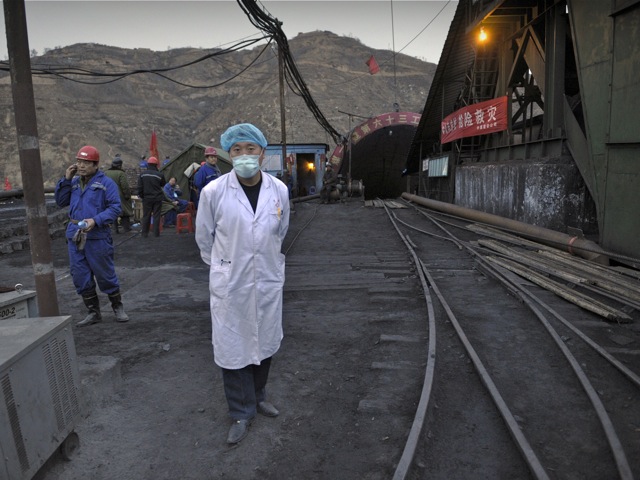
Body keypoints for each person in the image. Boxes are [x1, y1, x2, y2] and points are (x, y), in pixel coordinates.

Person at [195, 123, 290, 445]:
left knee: (265, 339)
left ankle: (259, 395)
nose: (244, 156)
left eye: (251, 149)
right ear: (228, 155)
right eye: (237, 150)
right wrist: (223, 268)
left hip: (266, 277)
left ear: (263, 154)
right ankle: (240, 411)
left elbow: (281, 230)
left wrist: (261, 260)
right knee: (233, 347)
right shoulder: (214, 192)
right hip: (230, 282)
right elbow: (203, 238)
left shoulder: (279, 190)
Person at [54, 145, 129, 326]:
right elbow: (60, 201)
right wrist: (65, 179)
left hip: (97, 236)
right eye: (79, 161)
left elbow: (115, 208)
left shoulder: (106, 184)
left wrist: (96, 220)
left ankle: (117, 306)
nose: (81, 165)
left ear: (95, 165)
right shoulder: (72, 183)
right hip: (75, 235)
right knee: (80, 275)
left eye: (86, 162)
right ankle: (93, 312)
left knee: (105, 274)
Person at [137, 156, 166, 237]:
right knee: (157, 215)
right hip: (157, 198)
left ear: (148, 164)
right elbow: (163, 184)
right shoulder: (159, 174)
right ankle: (156, 233)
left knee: (146, 215)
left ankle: (144, 233)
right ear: (156, 165)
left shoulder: (142, 175)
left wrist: (142, 196)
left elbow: (139, 187)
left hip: (147, 198)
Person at [104, 154, 133, 233]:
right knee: (124, 212)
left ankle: (114, 229)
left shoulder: (106, 173)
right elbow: (125, 186)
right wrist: (127, 195)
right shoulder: (121, 173)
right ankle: (126, 229)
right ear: (120, 165)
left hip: (108, 195)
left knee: (112, 211)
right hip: (120, 196)